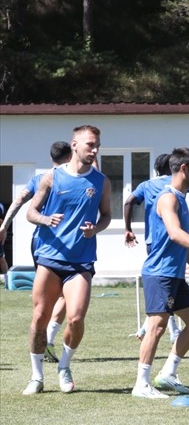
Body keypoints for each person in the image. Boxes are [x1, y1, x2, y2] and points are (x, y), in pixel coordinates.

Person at [22, 125, 112, 395]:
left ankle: (64, 365)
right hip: (50, 258)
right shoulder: (52, 177)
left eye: (97, 145)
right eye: (89, 145)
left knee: (75, 318)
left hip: (81, 262)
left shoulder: (101, 181)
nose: (94, 150)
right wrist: (46, 220)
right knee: (39, 317)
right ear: (74, 145)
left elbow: (106, 215)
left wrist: (95, 229)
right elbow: (31, 212)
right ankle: (37, 377)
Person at [133, 148, 189, 398]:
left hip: (174, 273)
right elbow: (175, 233)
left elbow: (177, 239)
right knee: (157, 325)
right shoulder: (168, 199)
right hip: (160, 272)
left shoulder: (181, 197)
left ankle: (167, 374)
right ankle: (141, 383)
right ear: (183, 169)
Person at [125, 152, 189, 342]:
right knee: (165, 290)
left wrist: (128, 229)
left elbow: (129, 201)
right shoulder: (173, 191)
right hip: (169, 245)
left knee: (169, 295)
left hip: (152, 241)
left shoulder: (148, 185)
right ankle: (156, 327)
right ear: (180, 168)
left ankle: (156, 326)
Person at [2, 141, 72, 361]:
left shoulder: (39, 178)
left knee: (47, 296)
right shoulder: (72, 177)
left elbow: (19, 200)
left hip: (39, 243)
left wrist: (4, 227)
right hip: (67, 244)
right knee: (67, 294)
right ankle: (49, 337)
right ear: (71, 155)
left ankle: (44, 338)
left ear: (51, 157)